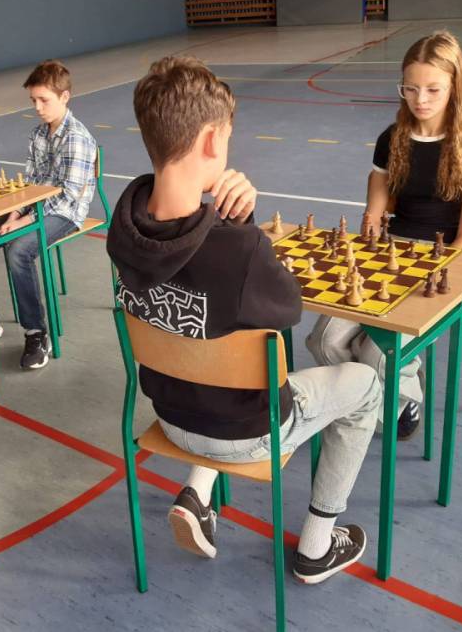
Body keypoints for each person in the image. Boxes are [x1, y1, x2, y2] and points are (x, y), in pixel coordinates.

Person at [107, 56, 381, 584]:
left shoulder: (124, 228)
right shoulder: (241, 249)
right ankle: (318, 544)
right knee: (366, 385)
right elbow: (288, 310)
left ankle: (199, 492)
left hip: (169, 417)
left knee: (214, 357)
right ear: (213, 140)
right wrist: (244, 227)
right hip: (245, 434)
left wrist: (230, 225)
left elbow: (205, 278)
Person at [306, 30, 462, 440]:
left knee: (377, 352)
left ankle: (399, 395)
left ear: (455, 86)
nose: (420, 99)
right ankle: (376, 401)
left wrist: (428, 284)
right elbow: (373, 217)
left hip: (444, 261)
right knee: (323, 340)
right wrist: (368, 243)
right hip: (392, 253)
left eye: (433, 89)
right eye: (410, 88)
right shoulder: (390, 139)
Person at [0, 60, 97, 370]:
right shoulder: (38, 134)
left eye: (44, 100)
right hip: (34, 207)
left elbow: (67, 196)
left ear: (65, 97)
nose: (38, 108)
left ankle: (37, 333)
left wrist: (22, 221)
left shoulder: (77, 138)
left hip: (66, 212)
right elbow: (29, 185)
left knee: (18, 251)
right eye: (33, 101)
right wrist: (12, 214)